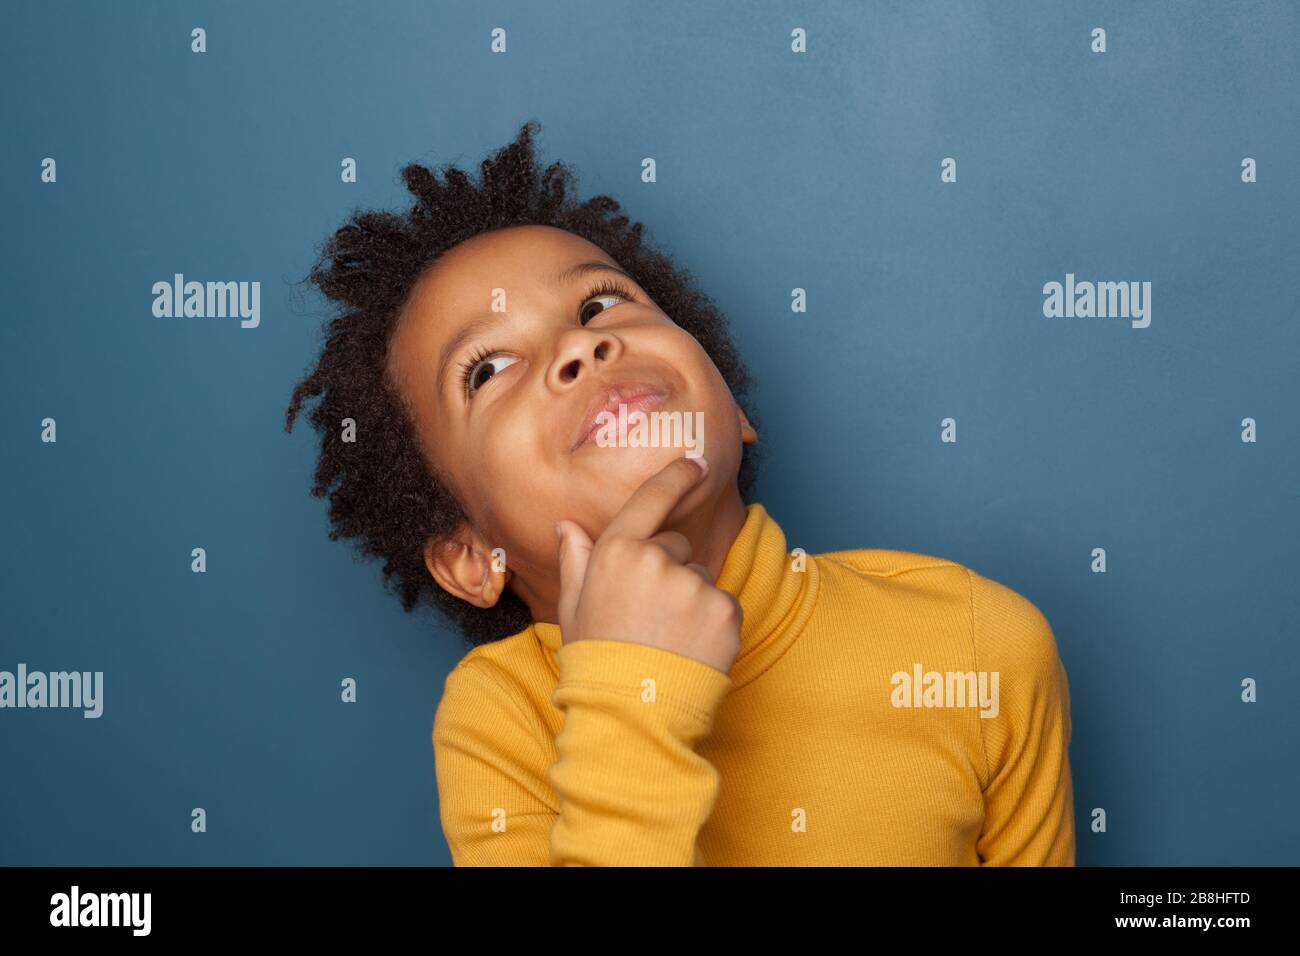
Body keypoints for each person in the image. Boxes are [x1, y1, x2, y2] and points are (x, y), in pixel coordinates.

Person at [285, 120, 1076, 866]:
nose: (579, 346)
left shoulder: (976, 644)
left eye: (599, 304)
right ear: (466, 556)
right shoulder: (501, 720)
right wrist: (635, 693)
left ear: (732, 405)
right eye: (487, 370)